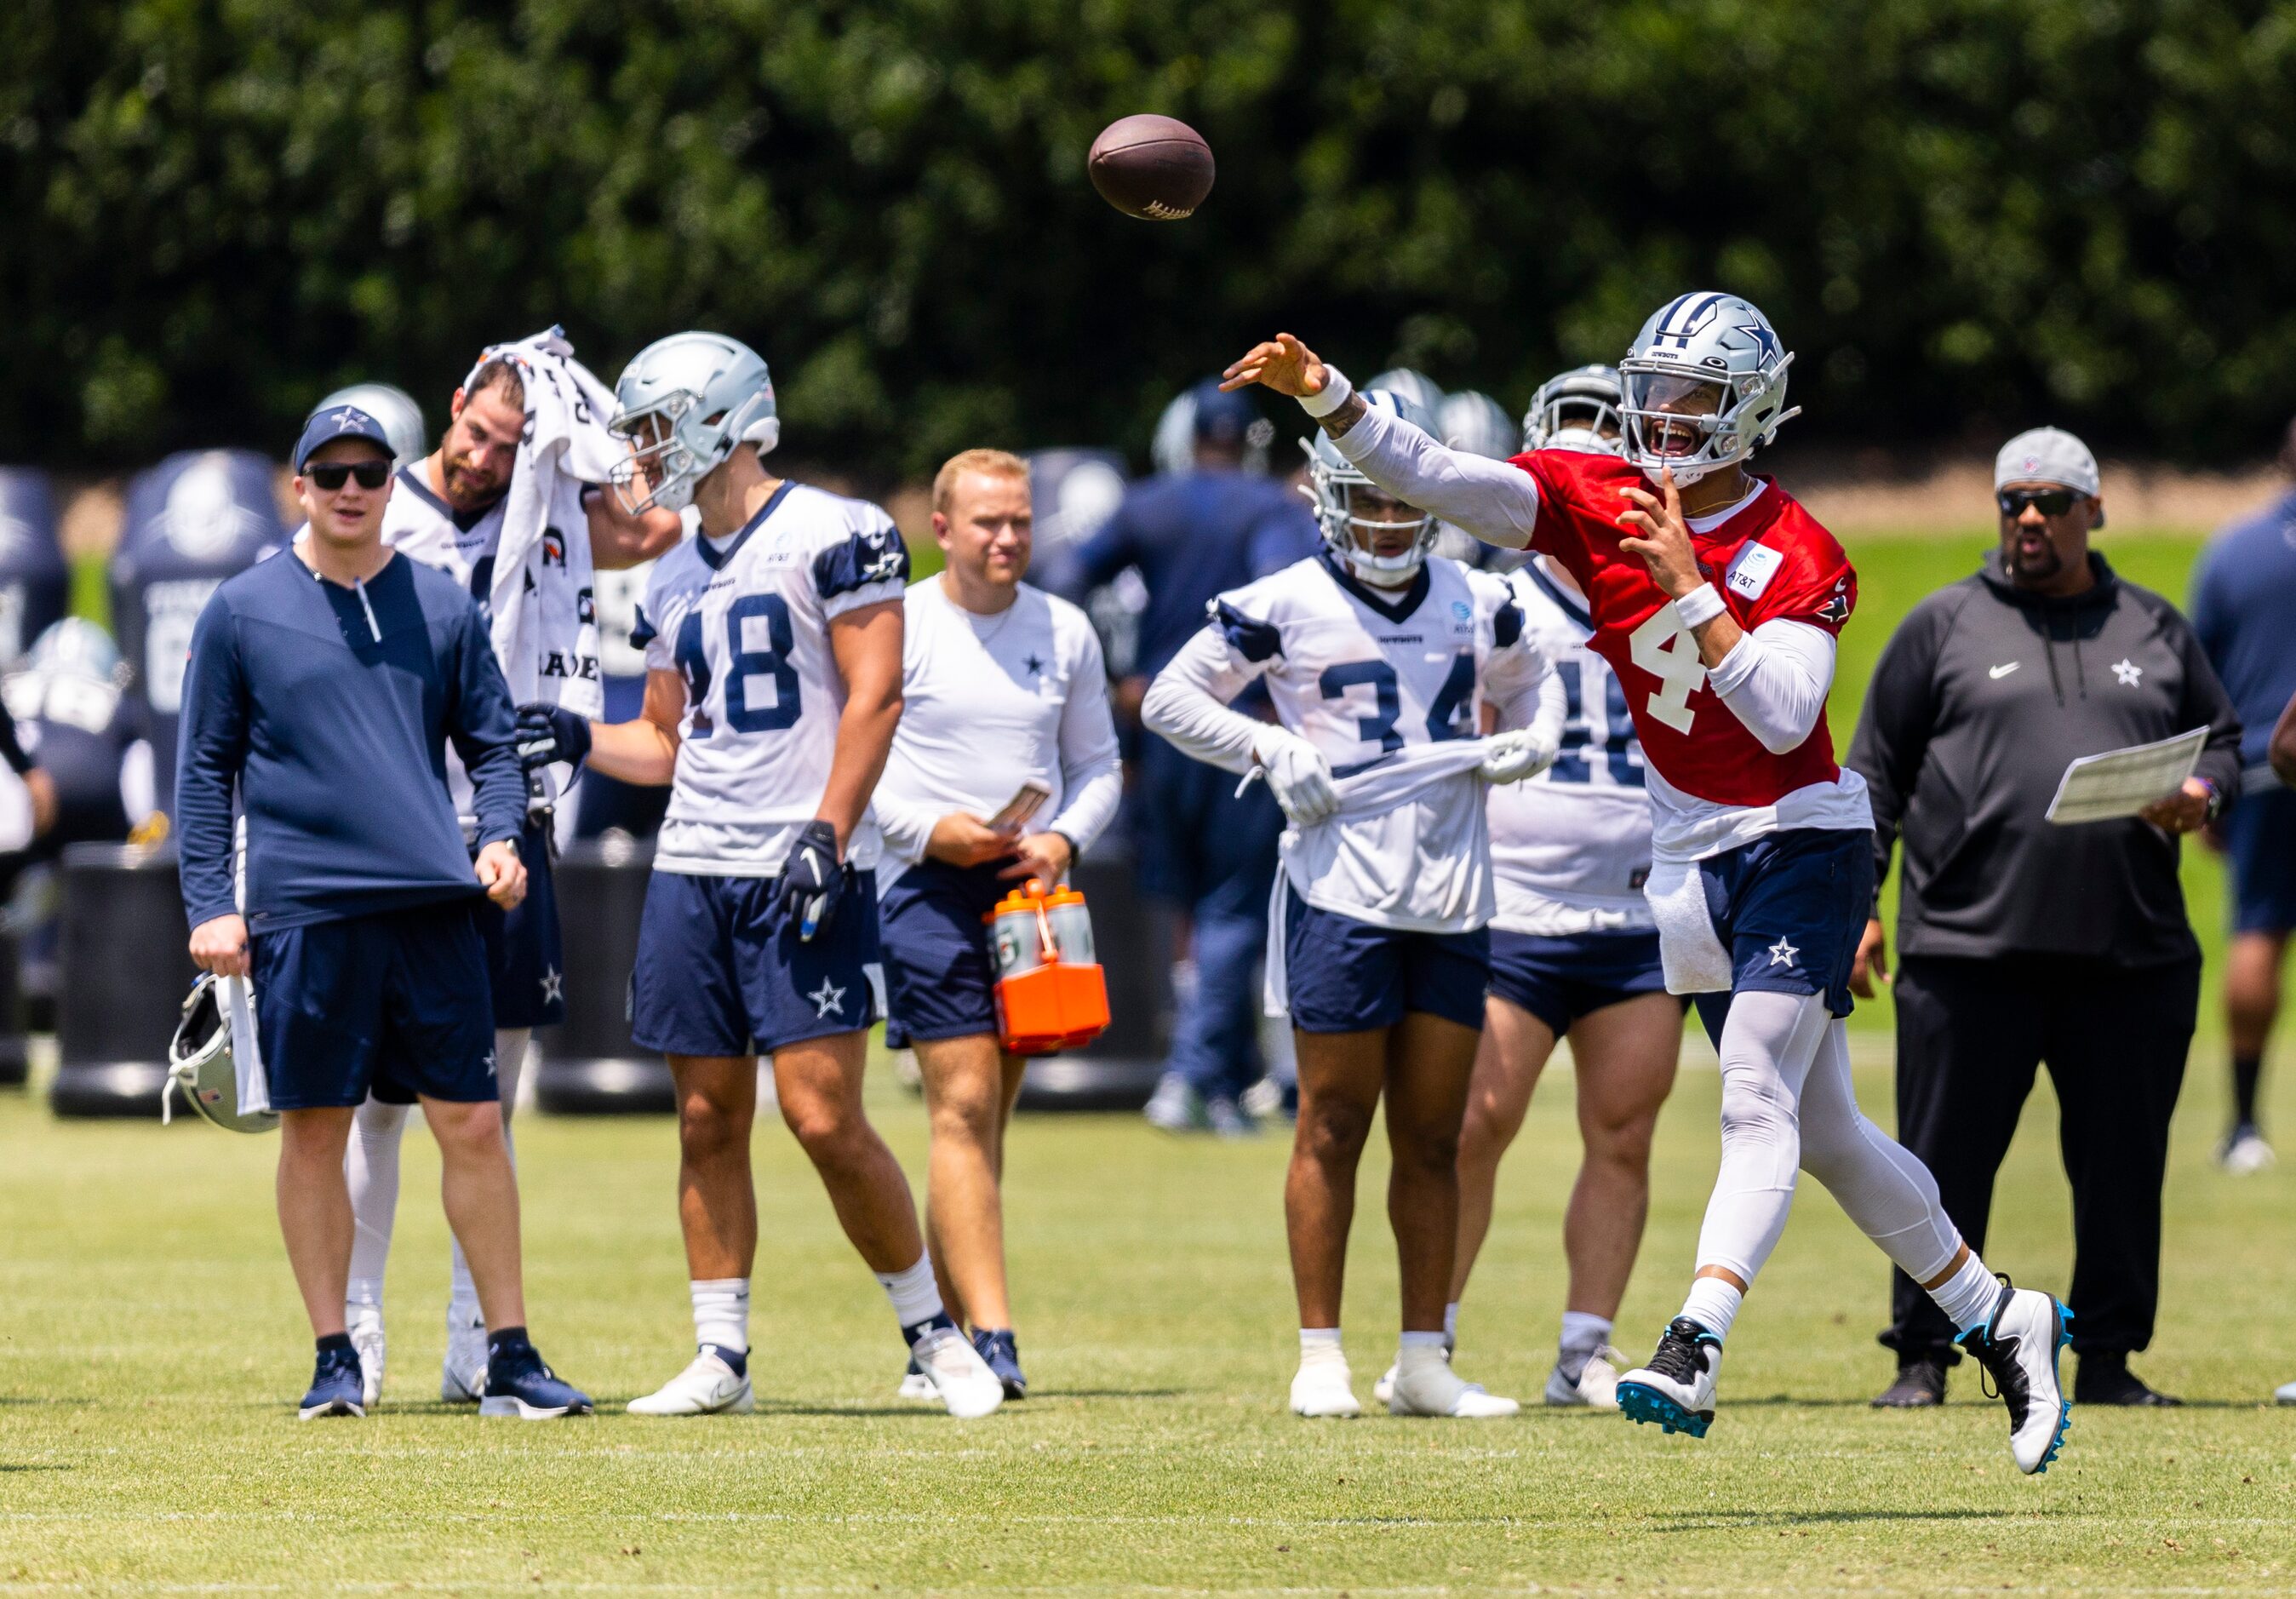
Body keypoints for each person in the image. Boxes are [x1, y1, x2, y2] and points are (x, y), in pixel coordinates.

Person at [1222, 293, 2072, 1476]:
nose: (1663, 419)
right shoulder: (1598, 493)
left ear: (1750, 413)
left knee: (1754, 1103)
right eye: (1654, 392)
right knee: (1825, 1133)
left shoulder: (1797, 546)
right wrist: (1329, 395)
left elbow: (1782, 715)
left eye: (1694, 401)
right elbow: (1441, 479)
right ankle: (2002, 1316)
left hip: (1796, 838)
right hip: (1688, 854)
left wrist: (1686, 584)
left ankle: (1692, 1339)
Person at [580, 332, 1004, 1420]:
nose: (643, 451)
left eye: (657, 426)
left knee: (822, 1115)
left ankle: (932, 1336)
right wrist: (568, 733)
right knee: (706, 1117)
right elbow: (667, 744)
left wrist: (830, 828)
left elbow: (876, 697)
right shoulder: (669, 570)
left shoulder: (840, 530)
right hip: (693, 864)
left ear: (724, 419)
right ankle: (721, 1353)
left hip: (798, 857)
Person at [1144, 387, 1557, 1419]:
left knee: (1434, 1134)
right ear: (1325, 500)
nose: (1385, 523)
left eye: (1400, 504)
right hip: (1340, 891)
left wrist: (1534, 736)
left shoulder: (1479, 600)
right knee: (1332, 1121)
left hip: (1453, 892)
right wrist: (1269, 742)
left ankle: (1423, 1358)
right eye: (1365, 503)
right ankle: (1320, 1352)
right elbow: (1169, 698)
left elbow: (1541, 680)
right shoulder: (1284, 600)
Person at [174, 404, 590, 1421]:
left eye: (369, 472)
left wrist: (498, 836)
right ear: (300, 484)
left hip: (433, 906)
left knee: (475, 1126)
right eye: (332, 472)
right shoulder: (241, 609)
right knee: (315, 1131)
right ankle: (334, 1359)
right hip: (305, 915)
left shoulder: (442, 605)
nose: (351, 489)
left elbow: (494, 747)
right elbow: (202, 776)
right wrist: (209, 907)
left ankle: (510, 1355)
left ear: (390, 482)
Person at [1848, 427, 2238, 1411]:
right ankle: (1922, 1357)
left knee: (2121, 1170)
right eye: (2012, 501)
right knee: (1936, 1170)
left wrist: (2203, 790)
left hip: (2131, 955)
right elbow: (1874, 777)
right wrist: (1858, 905)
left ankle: (2109, 1358)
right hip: (1967, 951)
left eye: (2052, 502)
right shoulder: (1942, 626)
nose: (2030, 518)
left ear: (2093, 510)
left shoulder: (2155, 627)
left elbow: (2226, 743)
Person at [335, 345, 683, 1407]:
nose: (486, 457)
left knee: (489, 1103)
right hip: (398, 826)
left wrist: (584, 431)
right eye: (476, 434)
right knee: (379, 1108)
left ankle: (477, 1339)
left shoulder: (555, 499)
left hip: (514, 822)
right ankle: (354, 1331)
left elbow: (656, 519)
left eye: (508, 443)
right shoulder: (385, 510)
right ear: (451, 410)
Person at [1374, 367, 1683, 1413]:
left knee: (1626, 1132)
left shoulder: (1679, 587)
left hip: (1636, 911)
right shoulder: (1490, 596)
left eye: (1616, 441)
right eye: (1579, 442)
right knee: (1473, 1125)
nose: (1598, 462)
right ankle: (1433, 1337)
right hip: (1511, 909)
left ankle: (1585, 1351)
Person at [870, 449, 1123, 1401]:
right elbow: (856, 759)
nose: (1007, 537)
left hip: (1031, 893)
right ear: (941, 529)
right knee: (964, 1107)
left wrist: (1062, 838)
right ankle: (992, 1335)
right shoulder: (900, 624)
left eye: (1018, 520)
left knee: (982, 1121)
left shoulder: (1063, 629)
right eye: (987, 522)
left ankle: (932, 1339)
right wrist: (931, 830)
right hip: (926, 886)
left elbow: (1099, 764)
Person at [1066, 381, 1320, 1135]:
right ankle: (1188, 1075)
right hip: (1235, 730)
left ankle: (1222, 1079)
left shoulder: (1147, 505)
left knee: (1184, 911)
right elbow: (1285, 594)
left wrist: (1114, 677)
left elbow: (1064, 576)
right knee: (1233, 909)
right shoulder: (1272, 509)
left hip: (1157, 727)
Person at [2188, 419, 2296, 1172]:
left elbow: (2198, 675)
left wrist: (2206, 784)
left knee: (2256, 932)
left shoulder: (2234, 550)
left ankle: (2244, 1128)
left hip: (2257, 769)